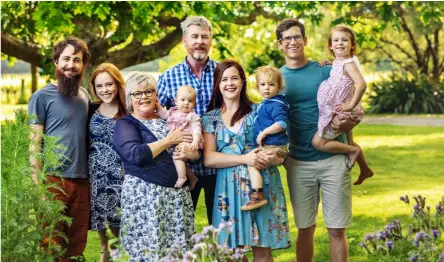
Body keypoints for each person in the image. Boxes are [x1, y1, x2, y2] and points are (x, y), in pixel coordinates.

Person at [276, 18, 362, 261]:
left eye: (297, 37)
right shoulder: (276, 79)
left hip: (333, 160)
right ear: (279, 45)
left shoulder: (327, 69)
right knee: (305, 228)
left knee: (336, 229)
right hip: (298, 163)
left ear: (305, 40)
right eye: (287, 39)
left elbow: (351, 105)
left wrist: (350, 137)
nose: (292, 42)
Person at [202, 60, 291, 262]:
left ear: (243, 82)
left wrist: (272, 158)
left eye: (234, 78)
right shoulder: (211, 118)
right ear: (217, 84)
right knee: (231, 252)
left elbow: (280, 151)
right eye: (224, 79)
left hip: (260, 187)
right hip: (228, 190)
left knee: (262, 250)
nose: (229, 83)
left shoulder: (259, 111)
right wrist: (245, 158)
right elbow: (209, 158)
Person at [113, 72, 196, 261]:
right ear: (129, 98)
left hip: (176, 200)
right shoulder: (125, 124)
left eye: (149, 91)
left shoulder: (170, 120)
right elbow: (136, 155)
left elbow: (193, 151)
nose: (144, 97)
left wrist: (191, 153)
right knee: (149, 252)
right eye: (137, 93)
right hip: (145, 200)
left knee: (179, 252)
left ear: (156, 94)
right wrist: (169, 141)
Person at [28, 37, 91, 261]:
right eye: (65, 59)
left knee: (75, 245)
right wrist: (38, 186)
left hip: (81, 179)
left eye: (77, 60)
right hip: (53, 179)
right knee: (51, 244)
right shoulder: (41, 97)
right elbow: (34, 145)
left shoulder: (84, 95)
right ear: (56, 62)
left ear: (83, 65)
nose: (70, 64)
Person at [157, 15, 218, 224]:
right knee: (180, 228)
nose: (200, 41)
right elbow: (154, 113)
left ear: (210, 40)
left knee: (223, 230)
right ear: (184, 41)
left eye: (205, 36)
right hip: (183, 166)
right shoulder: (168, 77)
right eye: (194, 36)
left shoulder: (223, 73)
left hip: (218, 163)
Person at [312, 24, 374, 184]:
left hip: (343, 112)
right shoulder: (340, 62)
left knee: (318, 143)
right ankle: (365, 169)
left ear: (352, 44)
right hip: (336, 110)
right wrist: (331, 64)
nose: (340, 43)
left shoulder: (349, 63)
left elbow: (361, 84)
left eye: (345, 40)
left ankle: (353, 152)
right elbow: (342, 77)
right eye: (336, 40)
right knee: (350, 140)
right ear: (330, 46)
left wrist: (350, 105)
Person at [88, 63, 127, 262]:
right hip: (98, 178)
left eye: (109, 84)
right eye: (99, 86)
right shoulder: (91, 109)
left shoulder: (128, 109)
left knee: (120, 238)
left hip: (123, 177)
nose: (105, 90)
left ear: (118, 83)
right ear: (94, 89)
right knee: (105, 243)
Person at [241, 66, 289, 211]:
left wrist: (264, 133)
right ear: (257, 87)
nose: (267, 88)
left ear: (279, 87)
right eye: (263, 85)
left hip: (275, 146)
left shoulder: (276, 104)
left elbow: (281, 123)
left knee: (252, 164)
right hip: (270, 145)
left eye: (271, 84)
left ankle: (258, 196)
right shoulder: (265, 103)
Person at [156, 85, 201, 189]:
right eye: (183, 99)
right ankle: (192, 177)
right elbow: (163, 114)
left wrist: (195, 141)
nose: (186, 103)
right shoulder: (172, 111)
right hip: (174, 140)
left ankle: (182, 177)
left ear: (194, 104)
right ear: (176, 101)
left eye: (190, 101)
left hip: (187, 141)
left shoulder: (192, 116)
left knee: (178, 154)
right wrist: (158, 106)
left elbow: (197, 130)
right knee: (175, 159)